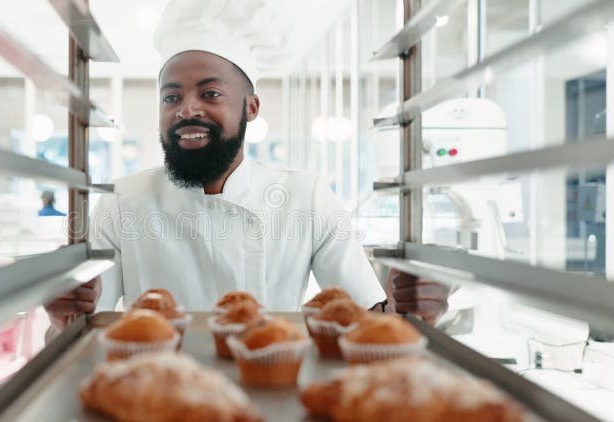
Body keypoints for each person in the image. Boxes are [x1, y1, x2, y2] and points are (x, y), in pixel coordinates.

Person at [46, 0, 448, 333]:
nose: (187, 108)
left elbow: (367, 323)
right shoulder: (121, 202)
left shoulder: (305, 197)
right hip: (155, 388)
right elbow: (83, 325)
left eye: (210, 93)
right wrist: (64, 309)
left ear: (251, 107)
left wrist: (411, 307)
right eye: (171, 97)